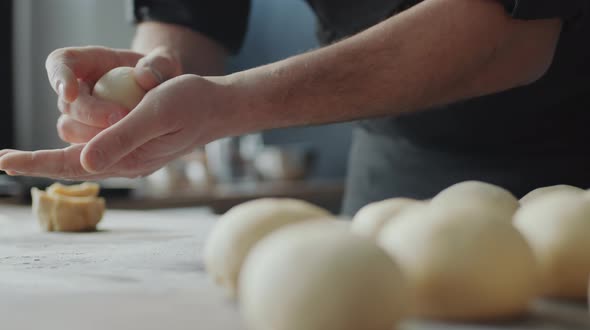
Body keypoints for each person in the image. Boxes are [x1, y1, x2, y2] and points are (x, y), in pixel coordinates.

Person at [0, 0, 588, 215]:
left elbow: (512, 35)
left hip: (568, 170)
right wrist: (152, 74)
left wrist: (232, 105)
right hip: (394, 170)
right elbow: (187, 16)